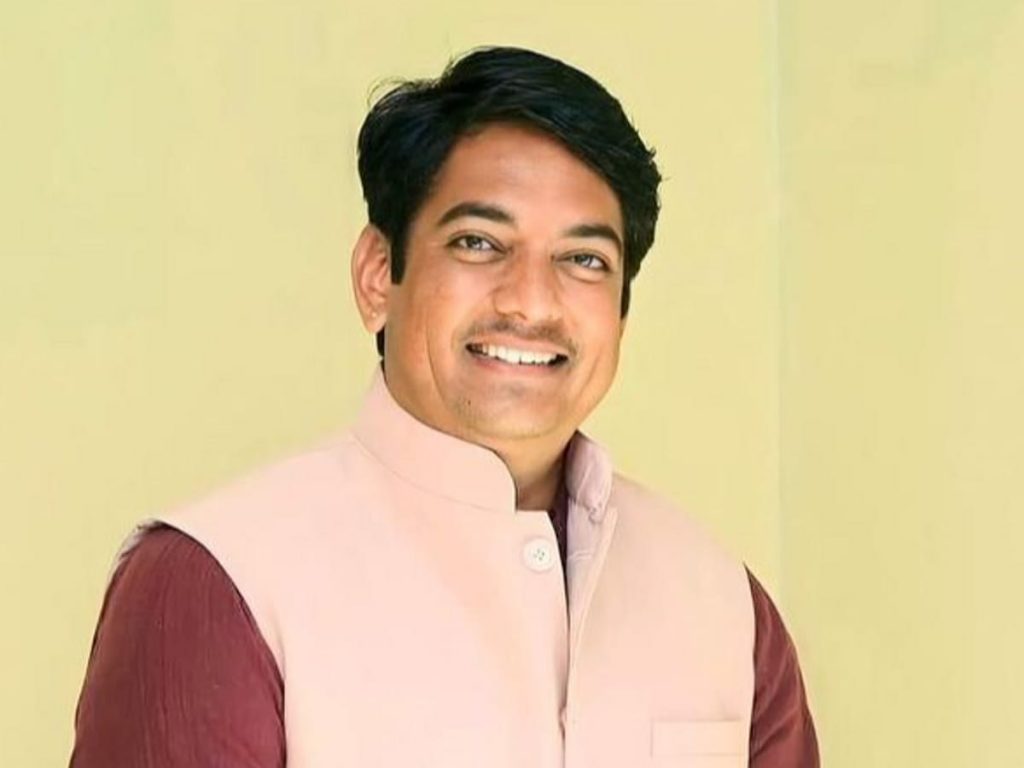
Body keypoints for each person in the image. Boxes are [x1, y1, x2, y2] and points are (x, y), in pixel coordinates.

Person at [70, 46, 818, 767]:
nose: (531, 302)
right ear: (377, 276)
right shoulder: (218, 581)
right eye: (478, 243)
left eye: (584, 259)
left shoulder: (725, 605)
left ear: (621, 312)